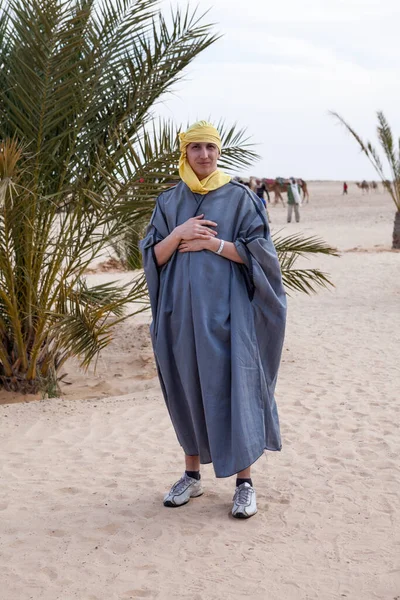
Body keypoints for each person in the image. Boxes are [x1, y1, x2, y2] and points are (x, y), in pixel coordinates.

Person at [140, 121, 286, 519]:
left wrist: (213, 244)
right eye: (195, 148)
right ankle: (192, 475)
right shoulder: (169, 202)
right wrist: (179, 233)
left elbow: (262, 255)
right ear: (184, 153)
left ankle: (244, 483)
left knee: (234, 387)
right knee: (186, 385)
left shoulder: (239, 198)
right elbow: (153, 257)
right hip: (179, 314)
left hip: (229, 314)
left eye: (210, 147)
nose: (204, 155)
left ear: (219, 151)